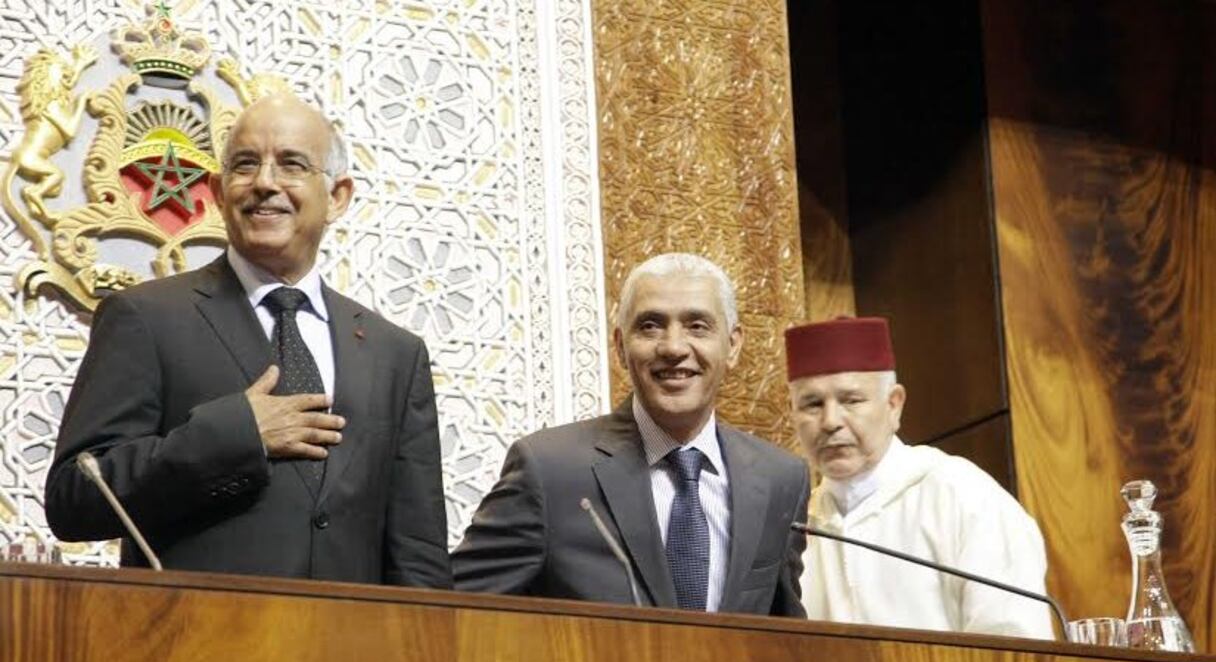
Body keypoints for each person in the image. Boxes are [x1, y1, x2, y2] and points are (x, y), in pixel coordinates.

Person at [44, 93, 451, 588]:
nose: (265, 182)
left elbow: (419, 555)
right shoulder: (147, 317)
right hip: (197, 629)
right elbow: (74, 498)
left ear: (338, 196)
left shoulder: (394, 353)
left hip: (350, 636)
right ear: (218, 192)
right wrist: (237, 436)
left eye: (292, 164)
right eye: (245, 165)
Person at [451, 253, 809, 616]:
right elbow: (450, 613)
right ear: (620, 347)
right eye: (651, 326)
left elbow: (787, 634)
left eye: (697, 326)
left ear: (733, 345)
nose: (673, 347)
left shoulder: (780, 479)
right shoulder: (548, 472)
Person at [785, 316, 1054, 638]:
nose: (830, 421)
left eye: (851, 400)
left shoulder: (962, 497)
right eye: (812, 404)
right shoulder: (795, 526)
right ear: (792, 413)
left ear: (893, 405)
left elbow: (1014, 648)